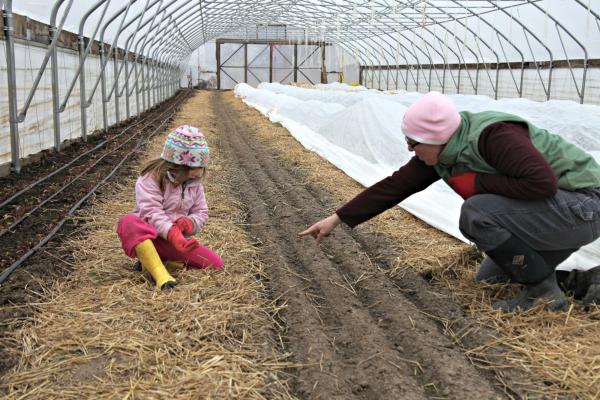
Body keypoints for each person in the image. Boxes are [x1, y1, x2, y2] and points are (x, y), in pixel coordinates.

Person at [300, 91, 600, 312]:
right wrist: (337, 218)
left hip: (586, 206)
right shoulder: (442, 152)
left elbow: (541, 182)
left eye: (413, 143)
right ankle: (580, 284)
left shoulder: (495, 136)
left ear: (435, 137)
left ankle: (544, 296)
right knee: (492, 279)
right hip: (560, 212)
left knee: (477, 212)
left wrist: (479, 183)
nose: (409, 149)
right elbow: (394, 186)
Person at [117, 125, 223, 290]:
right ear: (176, 164)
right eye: (192, 168)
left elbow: (201, 213)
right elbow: (151, 212)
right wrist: (171, 232)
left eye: (201, 167)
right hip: (149, 236)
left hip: (174, 240)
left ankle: (160, 261)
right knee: (128, 221)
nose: (197, 172)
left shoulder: (194, 184)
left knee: (215, 264)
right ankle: (161, 275)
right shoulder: (151, 177)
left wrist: (188, 223)